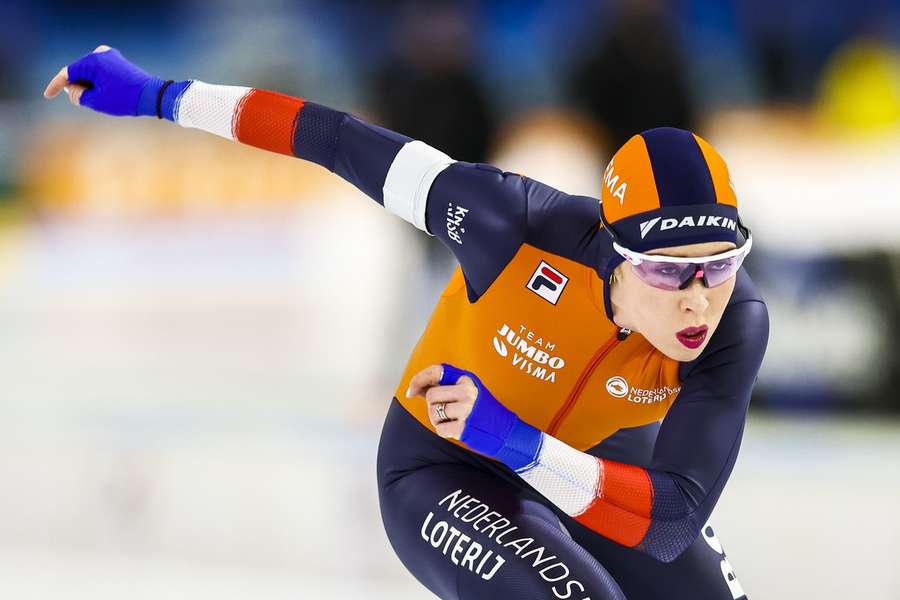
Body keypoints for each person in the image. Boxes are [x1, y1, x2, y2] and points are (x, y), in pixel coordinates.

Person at [44, 46, 768, 599]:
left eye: (721, 263)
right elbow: (330, 137)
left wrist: (518, 444)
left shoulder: (736, 323)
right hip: (439, 471)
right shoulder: (508, 223)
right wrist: (156, 94)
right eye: (668, 269)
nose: (698, 298)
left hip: (570, 463)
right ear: (615, 251)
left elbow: (671, 520)